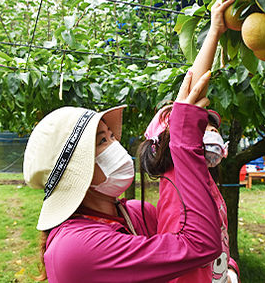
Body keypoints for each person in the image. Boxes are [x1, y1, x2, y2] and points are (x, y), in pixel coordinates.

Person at [23, 68, 223, 282]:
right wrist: (183, 143)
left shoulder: (137, 214)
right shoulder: (75, 249)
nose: (115, 145)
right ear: (76, 172)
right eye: (102, 141)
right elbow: (199, 244)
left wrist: (225, 269)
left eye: (111, 136)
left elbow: (205, 246)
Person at [138, 0, 239, 283]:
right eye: (198, 128)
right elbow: (176, 262)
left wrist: (229, 267)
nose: (210, 133)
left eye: (211, 128)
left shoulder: (203, 179)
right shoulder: (177, 189)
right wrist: (215, 31)